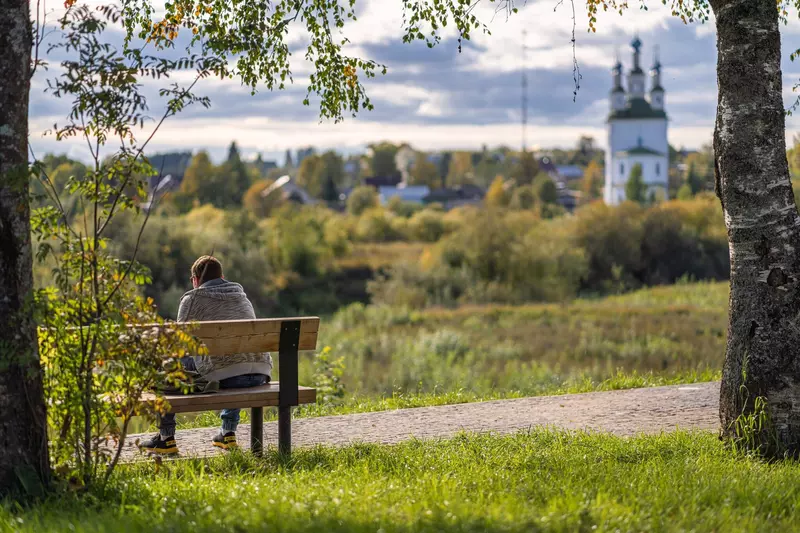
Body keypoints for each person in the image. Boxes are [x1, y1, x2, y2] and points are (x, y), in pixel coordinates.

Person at [139, 255, 273, 455]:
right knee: (232, 362)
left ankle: (166, 438)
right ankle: (227, 433)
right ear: (222, 276)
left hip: (228, 376)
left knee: (166, 365)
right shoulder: (241, 296)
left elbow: (179, 346)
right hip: (260, 373)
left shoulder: (191, 299)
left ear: (195, 279)